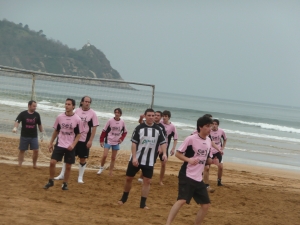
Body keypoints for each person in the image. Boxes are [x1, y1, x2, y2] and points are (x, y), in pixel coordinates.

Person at [166, 116, 213, 225]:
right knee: (182, 200)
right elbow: (178, 153)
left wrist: (212, 161)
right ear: (200, 127)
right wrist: (189, 160)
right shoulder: (191, 139)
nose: (209, 128)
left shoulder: (209, 140)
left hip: (198, 177)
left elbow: (206, 159)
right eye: (207, 126)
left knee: (206, 205)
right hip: (187, 175)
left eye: (210, 126)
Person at [118, 108, 167, 209]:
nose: (151, 117)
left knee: (147, 181)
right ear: (145, 116)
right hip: (137, 158)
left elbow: (163, 142)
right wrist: (134, 157)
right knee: (128, 178)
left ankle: (143, 204)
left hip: (149, 160)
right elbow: (134, 143)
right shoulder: (139, 128)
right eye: (149, 115)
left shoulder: (158, 129)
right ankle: (124, 198)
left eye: (153, 116)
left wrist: (165, 153)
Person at [54, 96, 99, 183]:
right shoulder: (77, 111)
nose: (87, 103)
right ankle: (62, 174)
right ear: (82, 102)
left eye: (89, 102)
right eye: (85, 101)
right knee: (68, 156)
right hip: (73, 138)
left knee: (82, 158)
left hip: (84, 139)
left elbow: (94, 128)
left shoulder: (92, 113)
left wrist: (90, 140)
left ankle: (80, 177)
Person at [44, 98, 83, 190]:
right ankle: (51, 181)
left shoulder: (77, 119)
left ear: (73, 106)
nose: (67, 106)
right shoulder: (60, 117)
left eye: (69, 104)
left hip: (70, 145)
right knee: (52, 162)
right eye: (66, 104)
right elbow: (56, 131)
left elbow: (79, 134)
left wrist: (73, 145)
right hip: (60, 143)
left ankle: (65, 184)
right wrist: (51, 143)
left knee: (68, 166)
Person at [12, 100, 44, 168]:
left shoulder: (37, 114)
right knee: (22, 150)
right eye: (33, 106)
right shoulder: (23, 114)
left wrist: (41, 134)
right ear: (29, 106)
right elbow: (17, 121)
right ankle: (19, 164)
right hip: (24, 135)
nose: (35, 107)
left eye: (36, 106)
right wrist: (15, 127)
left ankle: (34, 165)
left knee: (36, 150)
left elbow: (39, 124)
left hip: (34, 136)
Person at [137, 110, 167, 183]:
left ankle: (158, 180)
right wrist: (141, 118)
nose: (156, 116)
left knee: (157, 163)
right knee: (145, 161)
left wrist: (161, 149)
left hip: (156, 148)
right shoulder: (147, 123)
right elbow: (140, 123)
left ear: (161, 117)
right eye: (155, 115)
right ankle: (141, 176)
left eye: (158, 115)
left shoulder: (161, 127)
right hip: (147, 146)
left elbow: (163, 139)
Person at [97, 108, 127, 176]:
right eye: (116, 112)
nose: (117, 114)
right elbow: (104, 130)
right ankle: (101, 168)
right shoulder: (110, 120)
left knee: (113, 158)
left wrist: (121, 139)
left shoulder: (122, 122)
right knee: (105, 155)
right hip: (108, 140)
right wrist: (101, 140)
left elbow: (125, 132)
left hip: (116, 142)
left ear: (120, 114)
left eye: (118, 113)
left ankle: (110, 172)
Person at [159, 110, 178, 185]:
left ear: (169, 117)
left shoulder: (172, 126)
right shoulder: (159, 123)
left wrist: (173, 148)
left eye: (166, 116)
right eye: (163, 116)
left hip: (164, 147)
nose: (164, 117)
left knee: (163, 163)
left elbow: (175, 138)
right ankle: (142, 177)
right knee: (150, 162)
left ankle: (160, 180)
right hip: (155, 146)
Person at [208, 119, 227, 186]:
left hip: (218, 150)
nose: (214, 125)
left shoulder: (221, 131)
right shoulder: (208, 131)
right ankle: (205, 181)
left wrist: (222, 148)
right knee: (207, 166)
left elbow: (225, 139)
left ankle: (219, 181)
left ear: (218, 125)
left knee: (221, 167)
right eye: (213, 124)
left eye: (216, 124)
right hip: (210, 150)